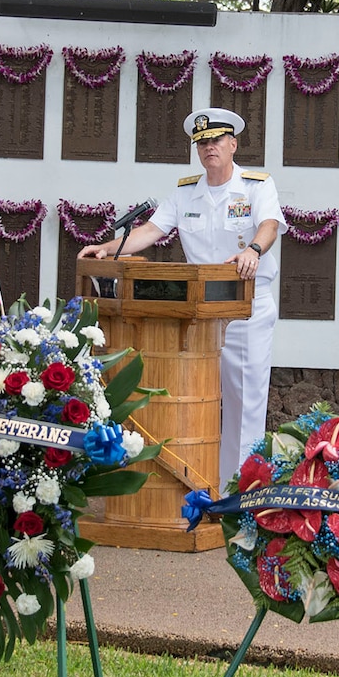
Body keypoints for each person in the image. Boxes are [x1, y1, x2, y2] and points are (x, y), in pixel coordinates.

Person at [78, 108, 284, 485]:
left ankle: (240, 490)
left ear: (233, 144)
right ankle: (200, 483)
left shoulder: (256, 185)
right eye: (202, 142)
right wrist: (108, 249)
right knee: (194, 398)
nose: (209, 148)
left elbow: (270, 225)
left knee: (244, 406)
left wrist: (253, 249)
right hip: (197, 311)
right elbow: (151, 230)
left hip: (244, 309)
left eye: (217, 141)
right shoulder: (186, 190)